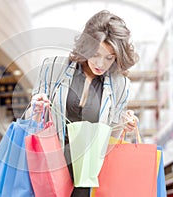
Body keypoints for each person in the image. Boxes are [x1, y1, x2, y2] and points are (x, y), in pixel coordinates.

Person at [29, 10, 139, 196]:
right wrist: (36, 107)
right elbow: (31, 121)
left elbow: (112, 138)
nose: (101, 64)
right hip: (50, 167)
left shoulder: (121, 85)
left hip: (88, 175)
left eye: (109, 57)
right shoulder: (53, 68)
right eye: (96, 54)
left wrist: (125, 124)